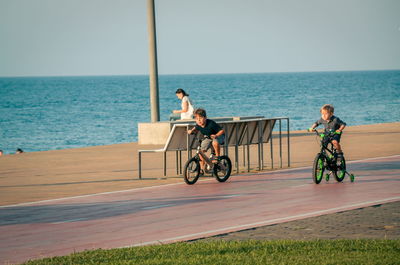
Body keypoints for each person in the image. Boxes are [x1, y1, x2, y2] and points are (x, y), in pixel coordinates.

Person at [187, 108, 225, 173]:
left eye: (200, 118)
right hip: (208, 137)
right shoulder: (198, 125)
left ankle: (218, 157)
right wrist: (190, 131)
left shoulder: (211, 123)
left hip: (219, 136)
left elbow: (222, 131)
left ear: (205, 118)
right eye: (196, 119)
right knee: (201, 152)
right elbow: (194, 129)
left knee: (214, 142)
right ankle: (202, 168)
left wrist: (216, 135)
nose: (199, 120)